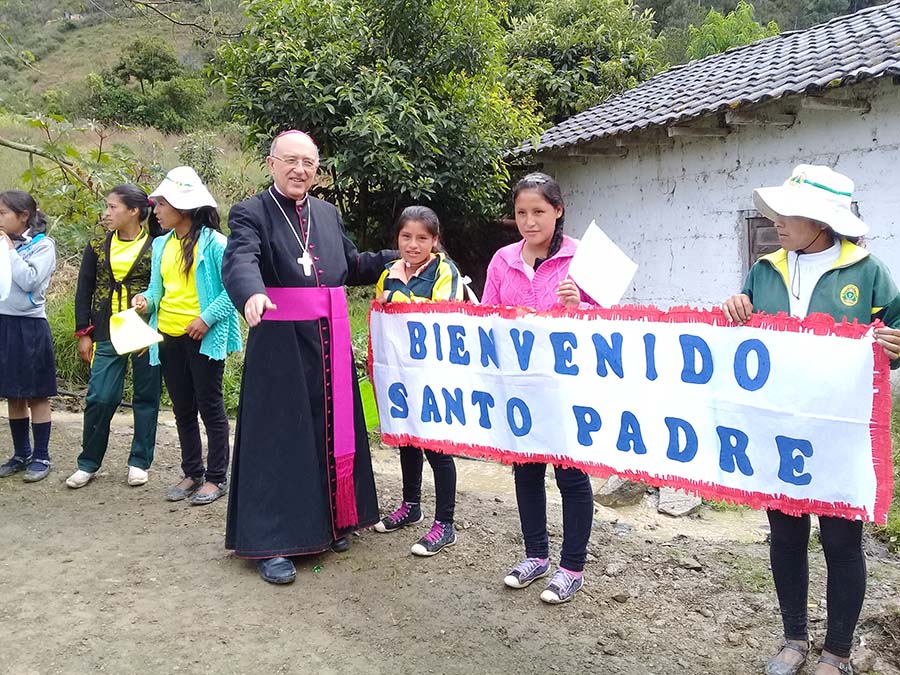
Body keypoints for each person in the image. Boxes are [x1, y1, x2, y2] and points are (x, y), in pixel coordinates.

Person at [722, 164, 900, 675]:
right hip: (779, 429)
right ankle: (794, 638)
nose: (776, 219)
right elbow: (741, 329)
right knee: (785, 534)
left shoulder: (868, 271)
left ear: (822, 221)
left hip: (840, 431)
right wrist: (735, 307)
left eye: (789, 213)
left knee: (842, 540)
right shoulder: (764, 270)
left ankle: (837, 652)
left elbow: (897, 332)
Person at [222, 130, 395, 585]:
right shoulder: (250, 212)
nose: (300, 170)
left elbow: (350, 265)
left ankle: (333, 521)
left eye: (309, 163)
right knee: (280, 439)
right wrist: (251, 294)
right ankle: (272, 541)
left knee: (328, 431)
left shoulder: (327, 212)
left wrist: (396, 259)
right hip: (279, 342)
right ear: (271, 163)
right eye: (291, 161)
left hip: (329, 342)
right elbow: (240, 260)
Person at [481, 172, 595, 605]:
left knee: (570, 474)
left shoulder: (582, 257)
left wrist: (578, 306)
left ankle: (572, 567)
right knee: (526, 471)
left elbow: (614, 323)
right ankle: (535, 556)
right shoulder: (502, 260)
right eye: (521, 213)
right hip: (519, 385)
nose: (529, 221)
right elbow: (485, 316)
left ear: (558, 210)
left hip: (565, 387)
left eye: (539, 212)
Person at [132, 166, 241, 506]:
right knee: (181, 407)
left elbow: (234, 290)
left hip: (203, 337)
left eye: (162, 204)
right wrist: (144, 302)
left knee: (210, 406)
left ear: (183, 206)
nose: (157, 211)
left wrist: (206, 319)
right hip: (168, 335)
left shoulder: (216, 243)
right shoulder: (162, 244)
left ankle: (216, 476)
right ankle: (192, 471)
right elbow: (156, 290)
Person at [373, 205, 464, 556]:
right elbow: (381, 314)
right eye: (406, 237)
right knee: (407, 438)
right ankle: (411, 505)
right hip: (400, 371)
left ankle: (445, 524)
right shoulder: (387, 271)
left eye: (422, 238)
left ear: (435, 240)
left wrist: (395, 298)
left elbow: (440, 313)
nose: (413, 244)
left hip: (435, 373)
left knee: (437, 447)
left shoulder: (445, 270)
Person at [67, 185, 164, 489]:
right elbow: (84, 290)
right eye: (106, 207)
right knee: (100, 397)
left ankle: (139, 461)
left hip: (146, 330)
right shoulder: (97, 246)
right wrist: (84, 332)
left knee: (146, 398)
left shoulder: (157, 245)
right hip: (107, 329)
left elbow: (164, 287)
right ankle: (88, 463)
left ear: (134, 211)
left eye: (112, 207)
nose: (106, 213)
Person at [0, 190, 57, 483]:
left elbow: (30, 281)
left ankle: (41, 455)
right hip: (4, 323)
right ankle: (20, 453)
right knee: (12, 393)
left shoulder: (42, 246)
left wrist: (9, 250)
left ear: (23, 216)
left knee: (36, 393)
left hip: (30, 326)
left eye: (2, 214)